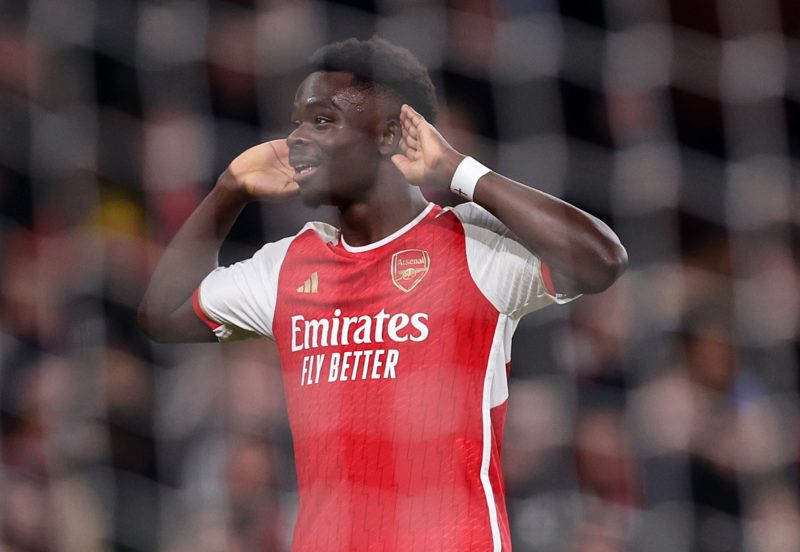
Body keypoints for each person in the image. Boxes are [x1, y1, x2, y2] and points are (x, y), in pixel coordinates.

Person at [138, 36, 627, 551]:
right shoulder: (287, 265)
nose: (298, 138)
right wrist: (229, 189)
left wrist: (460, 172)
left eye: (322, 120)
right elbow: (163, 314)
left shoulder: (473, 245)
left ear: (391, 134)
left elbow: (601, 260)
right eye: (298, 121)